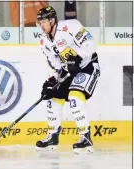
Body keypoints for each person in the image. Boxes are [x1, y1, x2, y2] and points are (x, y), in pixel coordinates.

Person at [35, 6, 100, 153]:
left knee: (75, 98)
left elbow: (91, 44)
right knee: (52, 98)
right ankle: (52, 137)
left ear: (52, 21)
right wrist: (53, 79)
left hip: (88, 66)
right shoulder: (44, 42)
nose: (41, 25)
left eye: (43, 22)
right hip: (69, 71)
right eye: (39, 23)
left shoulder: (71, 26)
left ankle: (86, 138)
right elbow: (55, 64)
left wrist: (77, 57)